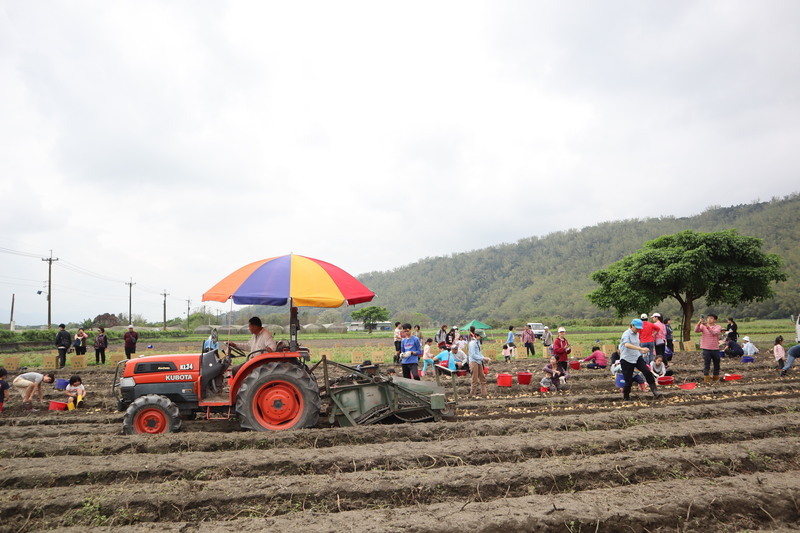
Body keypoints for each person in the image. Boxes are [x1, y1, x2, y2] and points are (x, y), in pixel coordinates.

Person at [619, 319, 660, 401]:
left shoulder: (637, 334)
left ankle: (654, 390)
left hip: (636, 357)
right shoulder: (626, 334)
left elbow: (636, 346)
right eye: (637, 328)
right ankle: (626, 397)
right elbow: (627, 344)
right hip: (626, 359)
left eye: (639, 328)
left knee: (647, 371)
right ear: (632, 325)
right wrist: (640, 348)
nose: (638, 329)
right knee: (628, 380)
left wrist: (642, 350)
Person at [695, 314, 723, 383]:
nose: (709, 319)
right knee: (706, 364)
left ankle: (716, 378)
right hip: (706, 348)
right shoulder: (703, 326)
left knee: (716, 364)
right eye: (708, 318)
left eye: (711, 318)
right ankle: (706, 378)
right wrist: (699, 322)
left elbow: (714, 333)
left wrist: (707, 326)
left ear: (715, 320)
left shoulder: (718, 327)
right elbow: (696, 330)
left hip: (715, 348)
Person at [468, 332, 488, 397]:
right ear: (476, 335)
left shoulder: (478, 342)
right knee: (475, 380)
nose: (481, 338)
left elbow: (479, 353)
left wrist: (484, 358)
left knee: (483, 378)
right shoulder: (472, 343)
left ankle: (484, 394)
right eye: (480, 336)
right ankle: (472, 395)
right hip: (473, 362)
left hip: (479, 362)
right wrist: (483, 358)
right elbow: (473, 355)